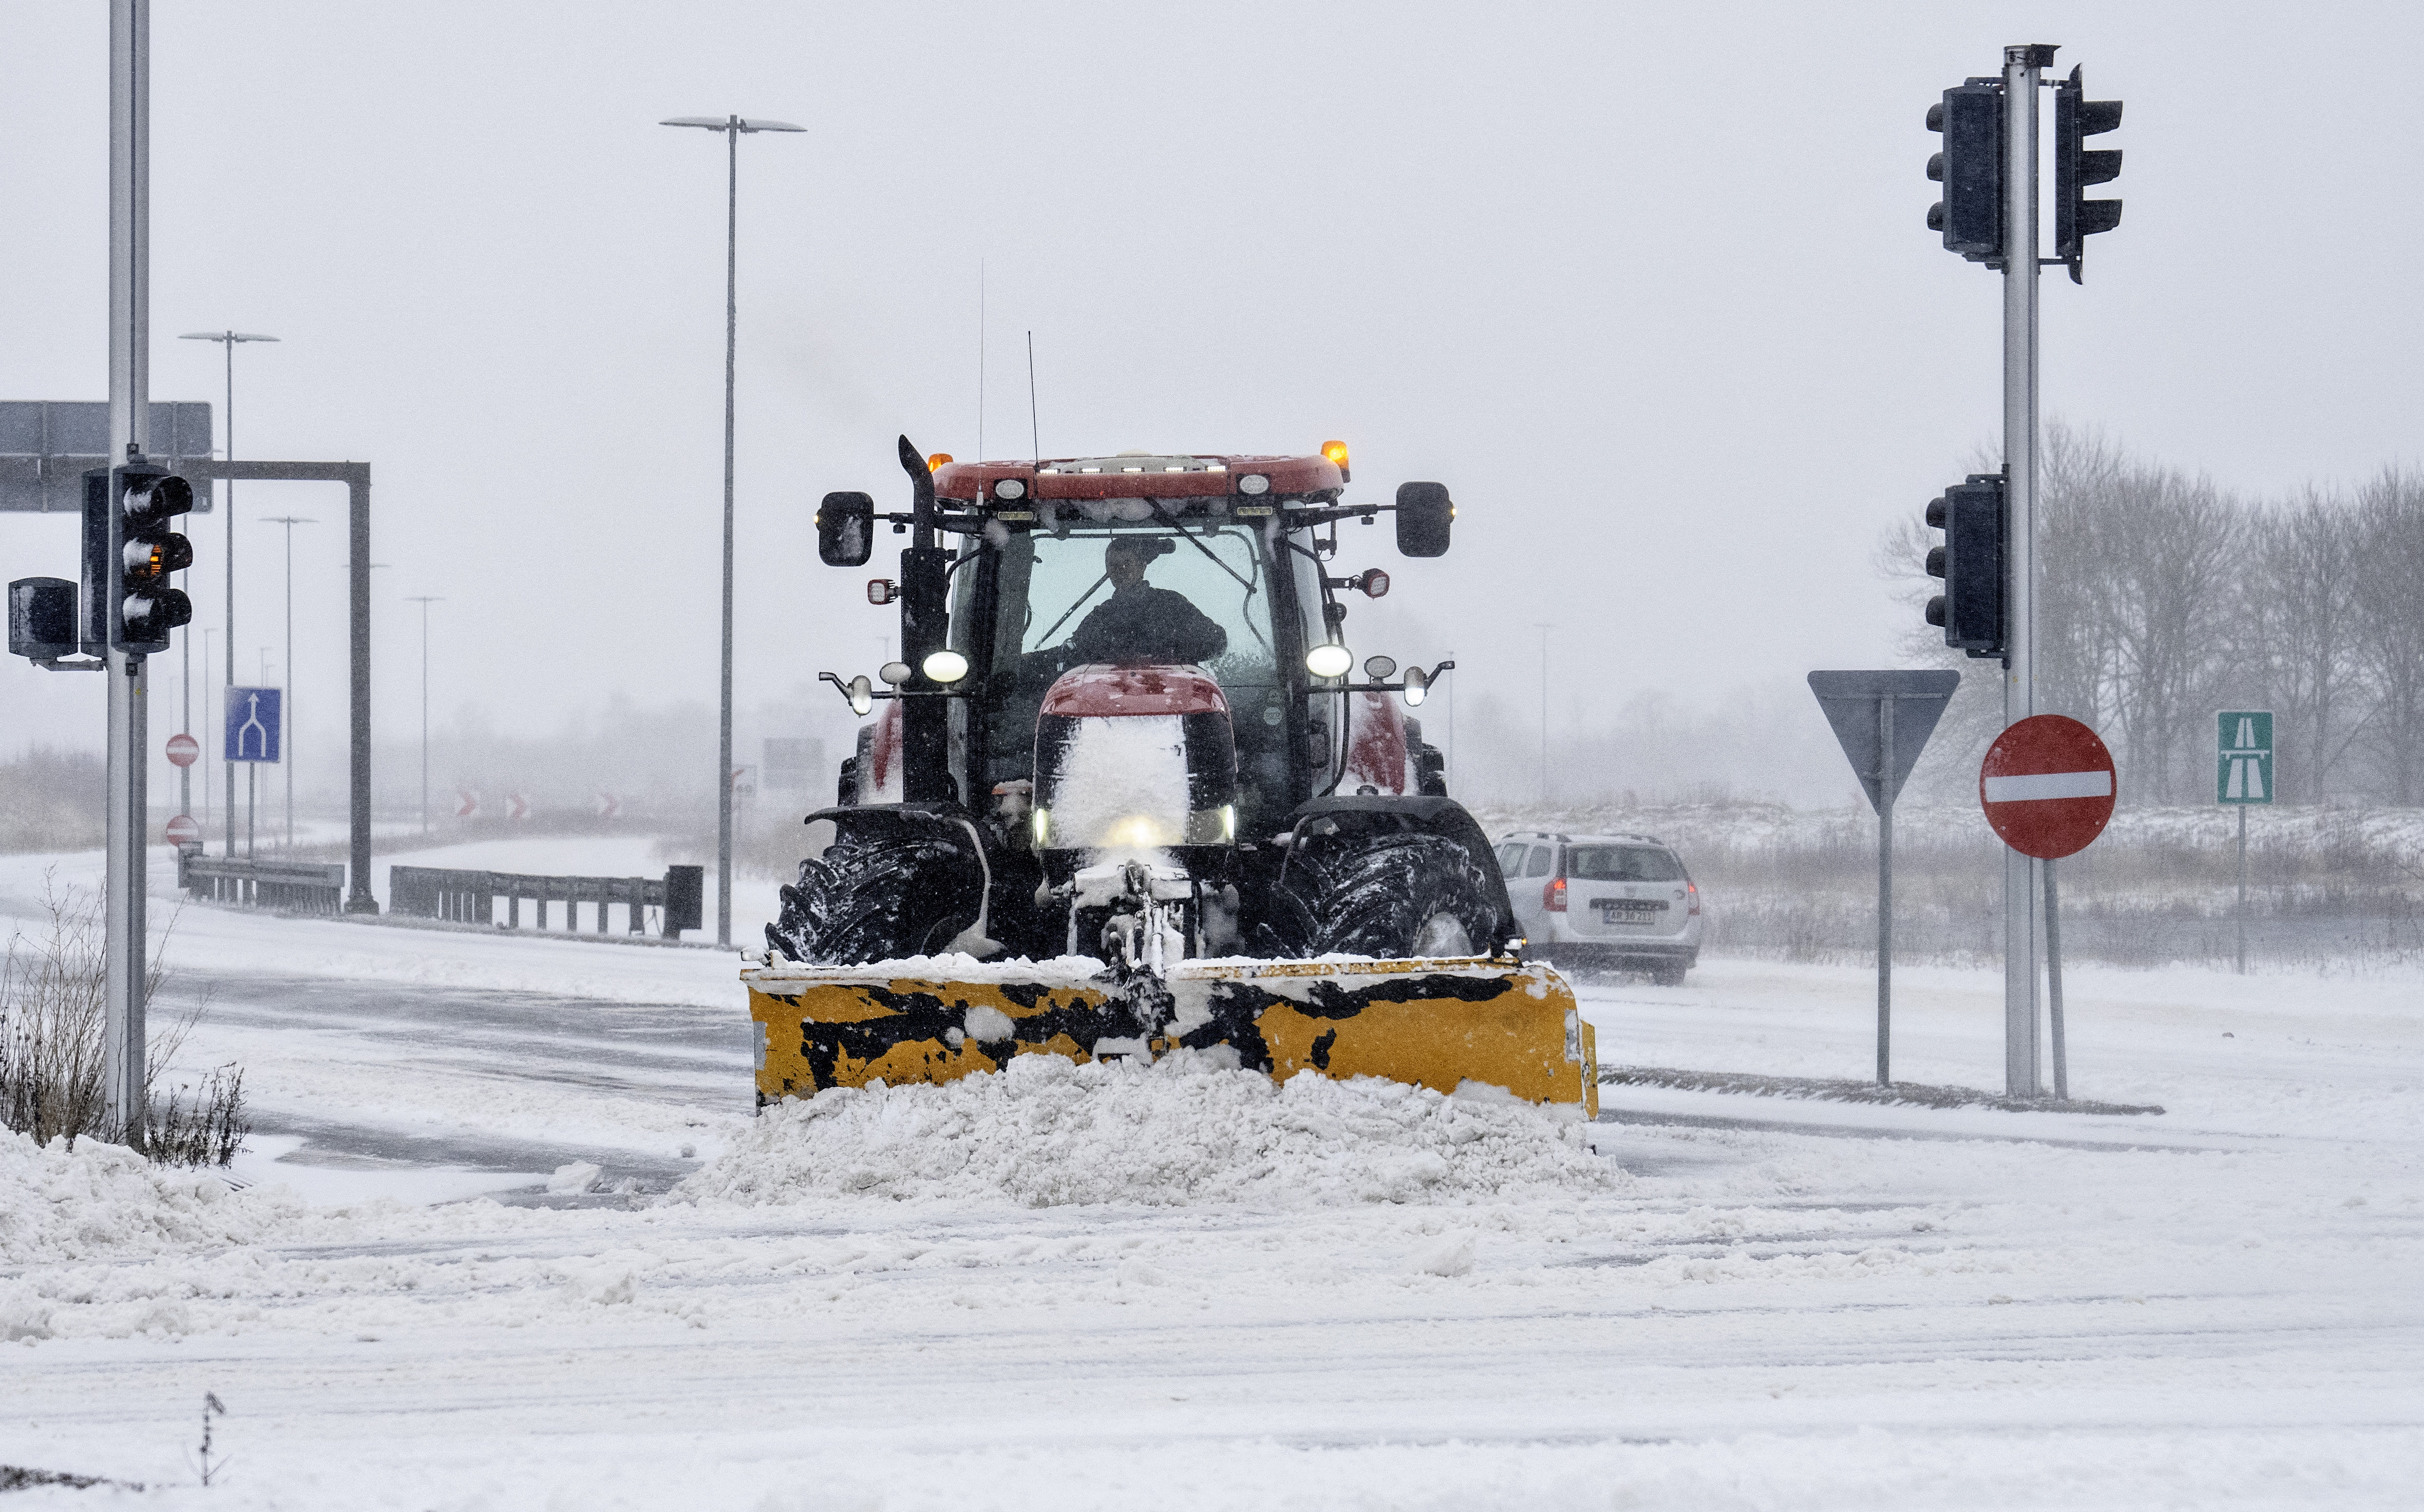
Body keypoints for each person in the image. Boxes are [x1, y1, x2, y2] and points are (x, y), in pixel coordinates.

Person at [1068, 535, 1228, 666]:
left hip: (1173, 696)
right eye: (1113, 565)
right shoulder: (1100, 617)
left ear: (1142, 566)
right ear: (1107, 569)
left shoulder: (1172, 605)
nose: (1119, 570)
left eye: (1126, 563)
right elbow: (1069, 654)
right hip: (1113, 699)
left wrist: (1174, 649)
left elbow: (1217, 641)